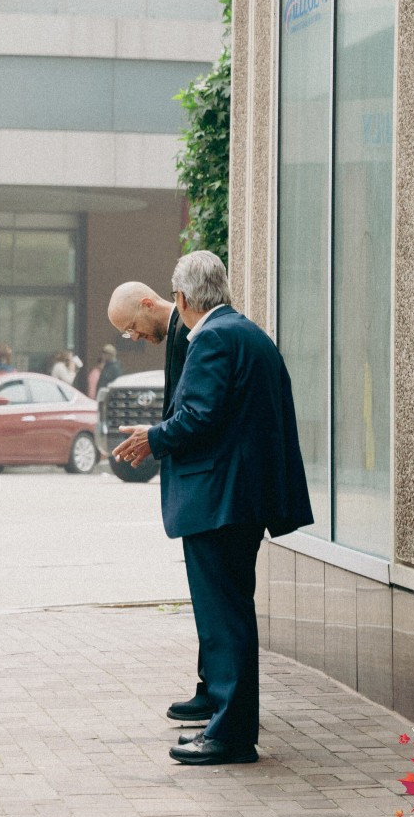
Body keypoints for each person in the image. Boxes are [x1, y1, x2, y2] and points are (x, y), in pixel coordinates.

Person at [112, 251, 314, 765]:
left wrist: (152, 438)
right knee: (229, 613)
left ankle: (231, 732)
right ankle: (228, 719)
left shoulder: (213, 339)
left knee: (226, 619)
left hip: (222, 502)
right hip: (235, 500)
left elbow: (200, 417)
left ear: (179, 298)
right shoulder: (241, 332)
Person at [109, 279, 207, 723]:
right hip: (194, 487)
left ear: (150, 303)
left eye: (132, 327)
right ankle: (210, 688)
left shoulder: (191, 334)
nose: (134, 338)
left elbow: (195, 415)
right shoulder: (181, 334)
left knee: (218, 606)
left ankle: (218, 694)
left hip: (204, 490)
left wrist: (154, 439)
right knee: (209, 605)